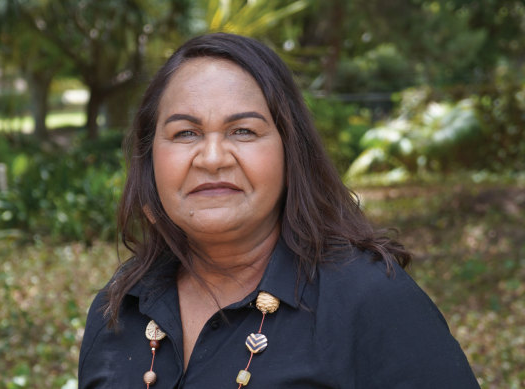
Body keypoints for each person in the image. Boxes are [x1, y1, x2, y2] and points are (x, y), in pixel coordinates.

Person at [78, 33, 480, 388]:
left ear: (291, 153)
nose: (213, 158)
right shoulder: (119, 308)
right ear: (150, 159)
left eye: (244, 131)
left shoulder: (372, 302)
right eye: (185, 133)